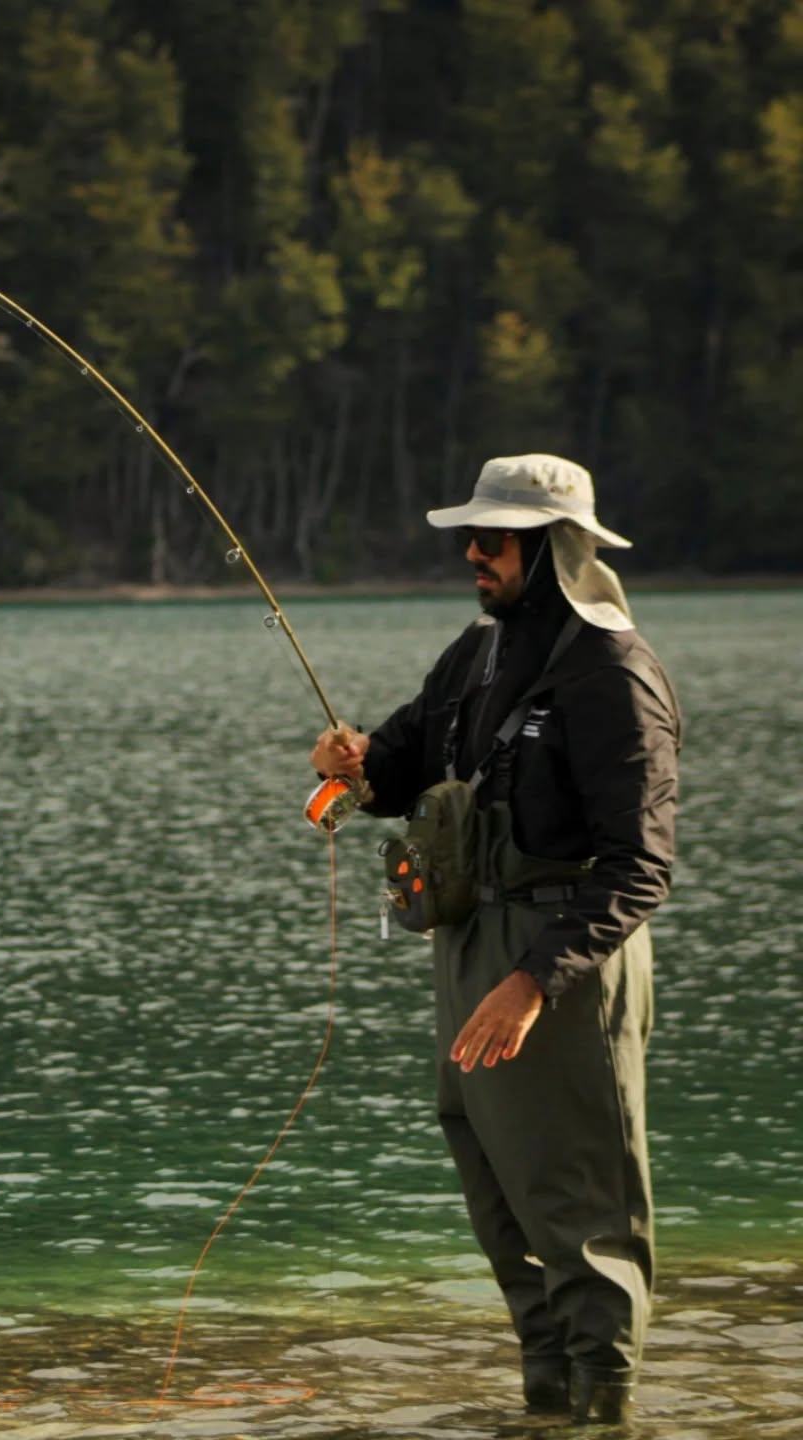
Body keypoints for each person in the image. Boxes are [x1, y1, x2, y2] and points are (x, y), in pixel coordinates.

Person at [311, 454, 681, 1425]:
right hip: (470, 944)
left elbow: (639, 867)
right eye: (470, 535)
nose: (472, 551)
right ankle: (549, 1399)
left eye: (495, 537)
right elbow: (396, 768)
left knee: (581, 1203)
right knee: (494, 1182)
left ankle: (607, 1405)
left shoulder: (615, 675)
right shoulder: (475, 654)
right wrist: (352, 762)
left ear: (555, 548)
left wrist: (532, 983)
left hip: (562, 963)